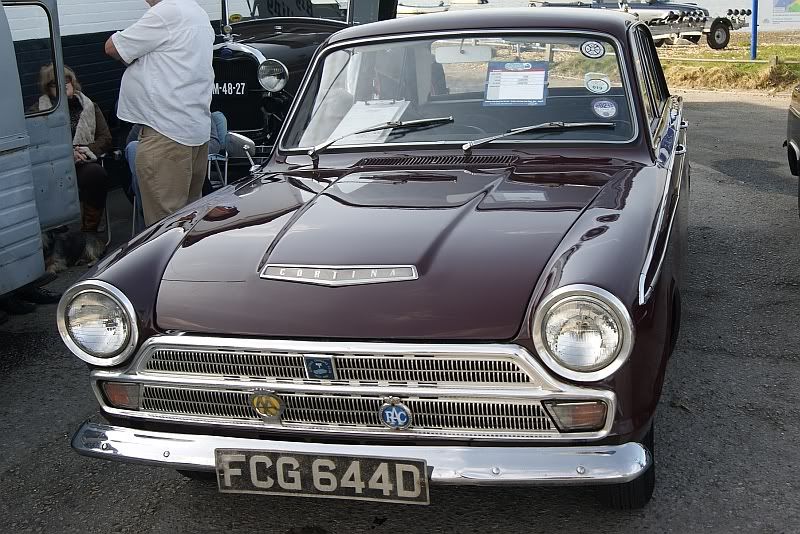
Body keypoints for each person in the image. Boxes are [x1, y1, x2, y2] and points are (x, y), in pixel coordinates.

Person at [105, 0, 214, 226]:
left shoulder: (165, 12)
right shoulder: (197, 12)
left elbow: (112, 47)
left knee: (165, 227)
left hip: (165, 135)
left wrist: (137, 55)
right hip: (193, 130)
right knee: (190, 220)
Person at [32, 65, 112, 234]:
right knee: (42, 180)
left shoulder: (89, 106)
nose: (63, 85)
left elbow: (105, 138)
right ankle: (57, 232)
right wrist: (66, 154)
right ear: (48, 88)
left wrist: (83, 151)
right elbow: (36, 145)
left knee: (96, 174)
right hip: (52, 166)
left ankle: (90, 231)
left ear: (73, 82)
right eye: (55, 84)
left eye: (66, 81)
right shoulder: (37, 111)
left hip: (82, 162)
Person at [125, 111, 226, 233]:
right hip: (185, 131)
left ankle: (148, 233)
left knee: (168, 227)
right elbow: (129, 141)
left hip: (178, 136)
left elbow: (215, 144)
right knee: (182, 222)